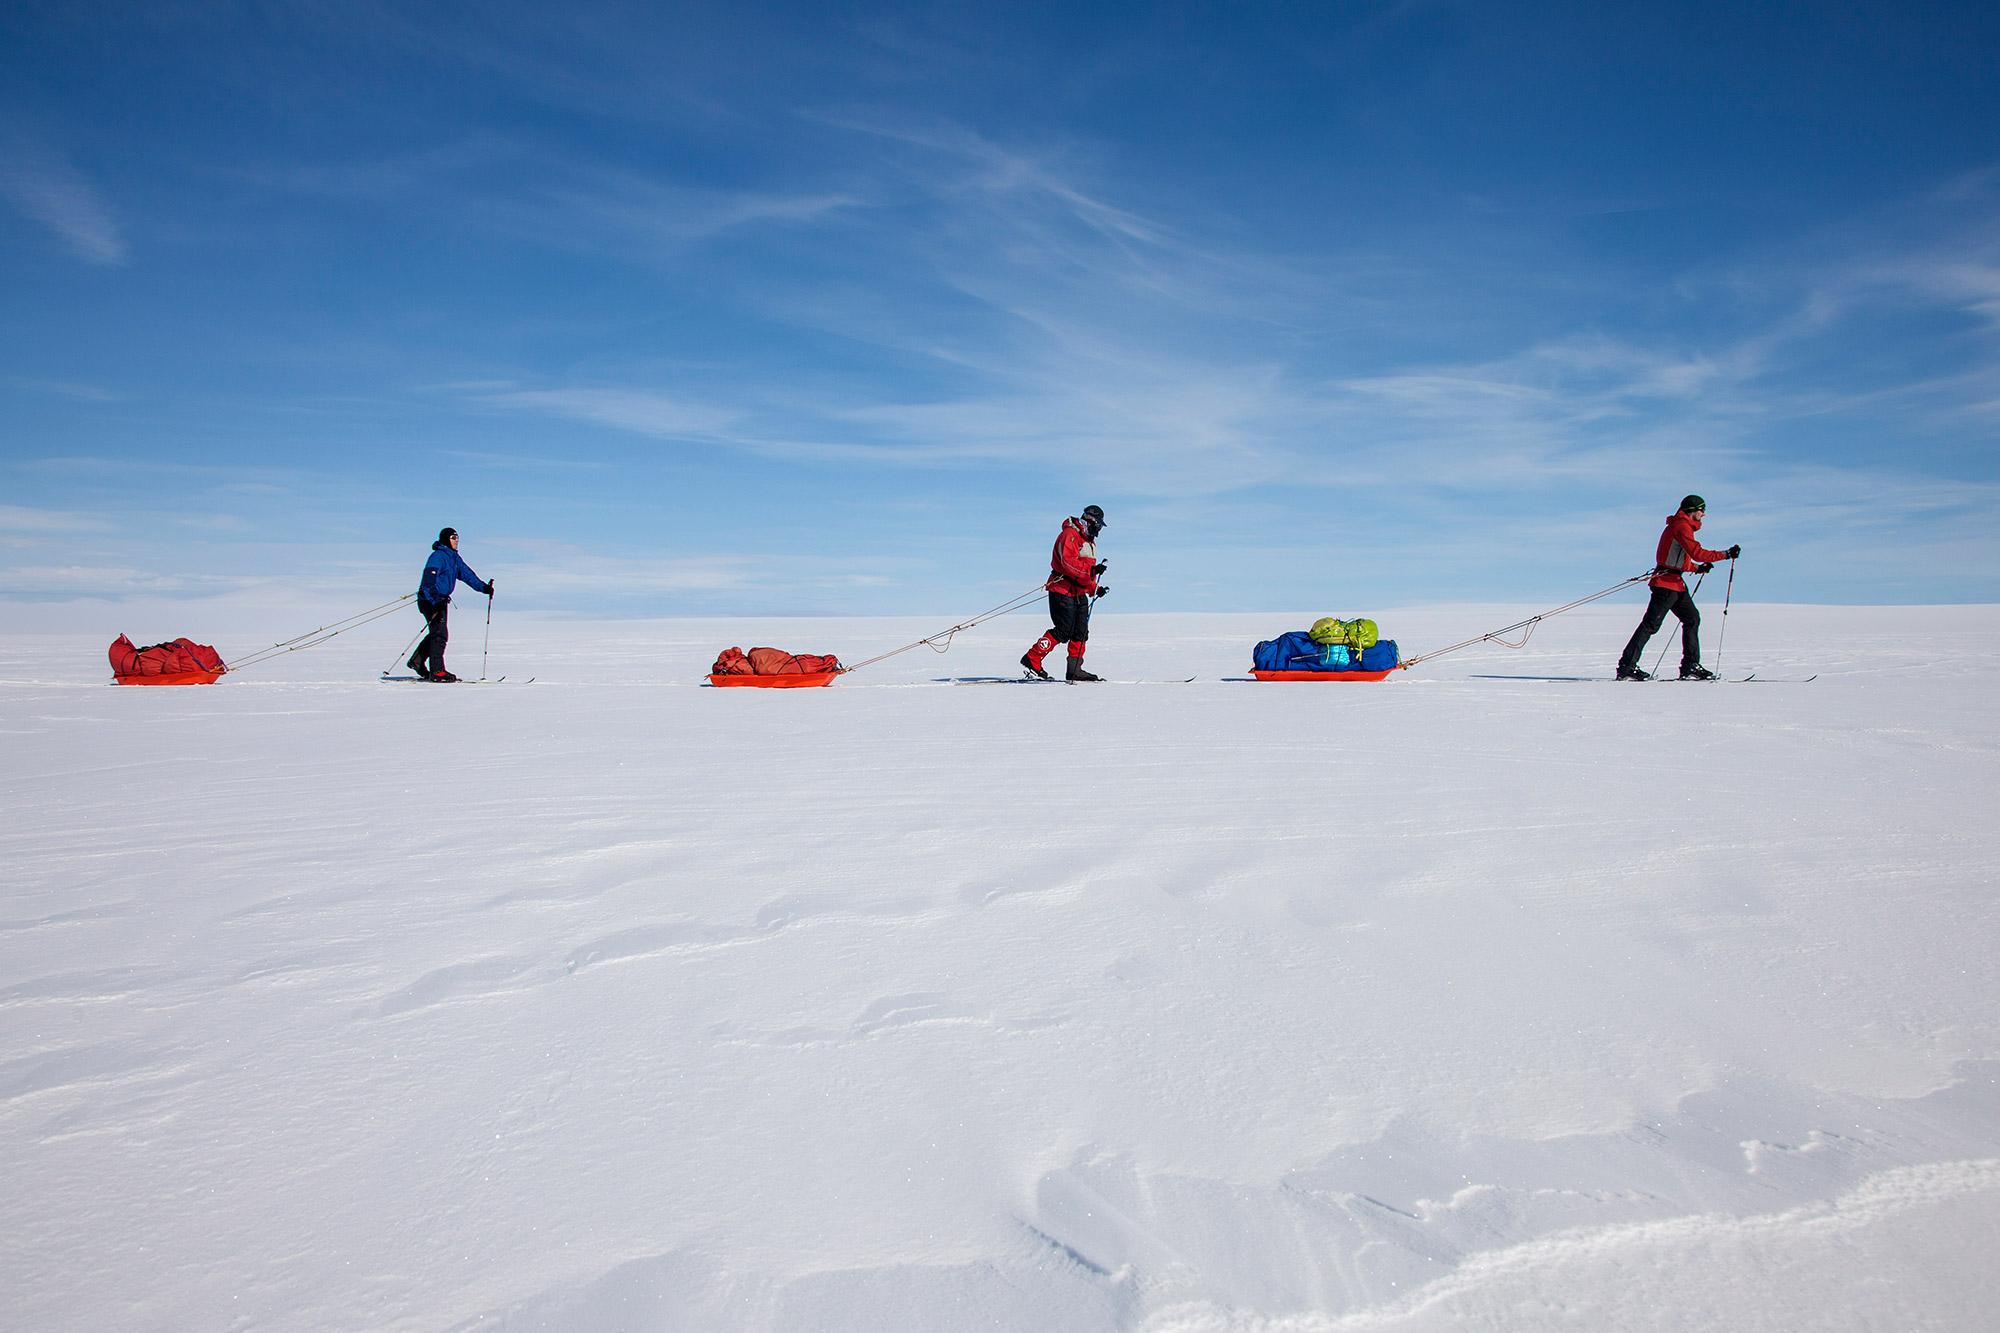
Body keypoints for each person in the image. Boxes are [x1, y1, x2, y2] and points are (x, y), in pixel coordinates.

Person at [1616, 496, 1740, 681]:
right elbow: (1696, 553)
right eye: (1701, 510)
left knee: (1692, 618)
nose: (1703, 514)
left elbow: (1680, 560)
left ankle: (1690, 666)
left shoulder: (1682, 526)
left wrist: (1698, 568)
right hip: (1666, 585)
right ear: (1692, 510)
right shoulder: (1681, 526)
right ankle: (1627, 666)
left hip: (1675, 584)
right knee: (1651, 625)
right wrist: (1726, 554)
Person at [1021, 504, 1108, 682]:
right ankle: (1033, 657)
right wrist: (1092, 571)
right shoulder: (1070, 535)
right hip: (1062, 590)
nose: (1099, 529)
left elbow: (1083, 571)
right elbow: (1068, 564)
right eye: (1098, 525)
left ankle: (1075, 670)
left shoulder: (1088, 541)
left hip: (1078, 593)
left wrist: (1094, 588)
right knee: (1063, 630)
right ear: (1091, 521)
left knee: (1081, 632)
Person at [409, 527, 492, 682]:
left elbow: (467, 575)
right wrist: (434, 601)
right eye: (453, 538)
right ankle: (437, 671)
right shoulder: (438, 556)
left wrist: (484, 588)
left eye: (458, 538)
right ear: (446, 539)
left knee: (438, 633)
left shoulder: (454, 558)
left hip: (440, 601)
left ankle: (417, 661)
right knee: (439, 634)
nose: (456, 541)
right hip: (430, 600)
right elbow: (428, 581)